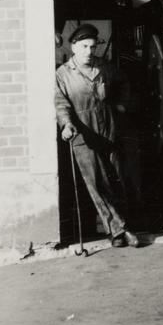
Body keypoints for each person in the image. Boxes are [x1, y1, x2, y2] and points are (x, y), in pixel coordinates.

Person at [55, 23, 141, 248]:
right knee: (97, 184)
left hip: (109, 129)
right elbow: (61, 104)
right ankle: (120, 230)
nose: (89, 52)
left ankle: (118, 230)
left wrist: (122, 104)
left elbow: (123, 83)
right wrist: (66, 125)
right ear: (74, 46)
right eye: (84, 46)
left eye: (92, 47)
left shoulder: (105, 67)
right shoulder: (63, 74)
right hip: (83, 134)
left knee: (118, 179)